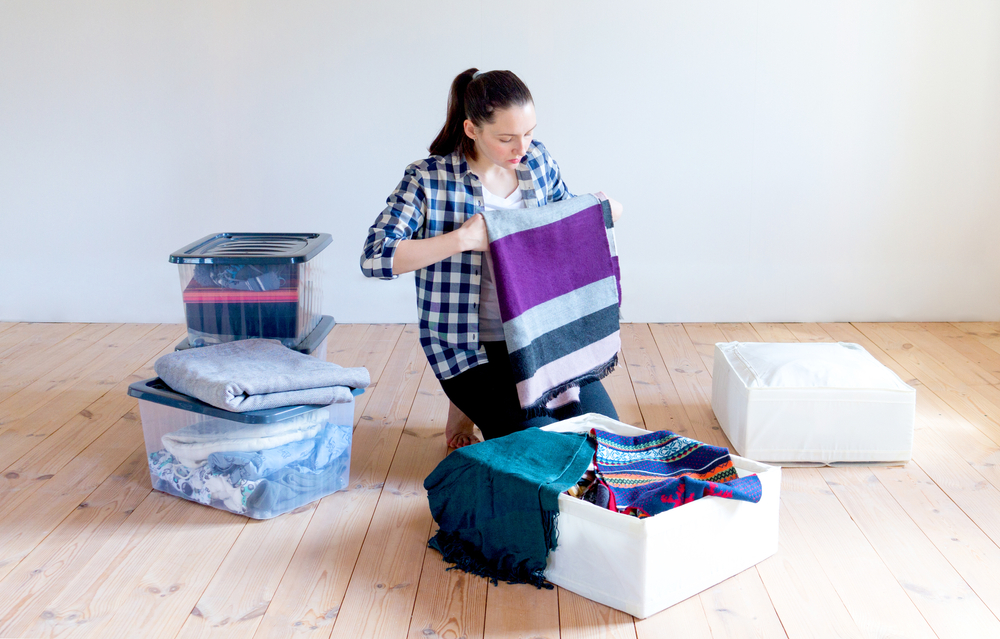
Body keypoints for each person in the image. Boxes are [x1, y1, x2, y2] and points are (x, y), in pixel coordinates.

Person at [361, 68, 622, 448]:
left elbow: (563, 226)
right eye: (506, 138)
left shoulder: (537, 163)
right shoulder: (428, 179)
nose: (523, 148)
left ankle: (472, 408)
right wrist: (462, 239)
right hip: (471, 345)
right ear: (471, 130)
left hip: (538, 333)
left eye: (530, 133)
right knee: (542, 449)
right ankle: (468, 398)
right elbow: (375, 256)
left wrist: (596, 212)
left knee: (607, 438)